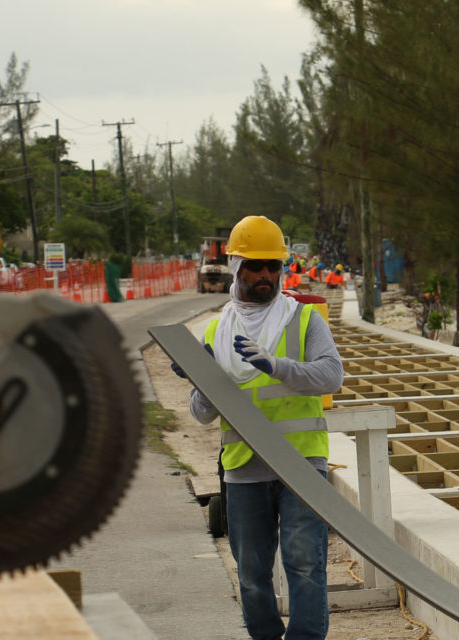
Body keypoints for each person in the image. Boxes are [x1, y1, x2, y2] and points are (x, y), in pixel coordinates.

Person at [172, 215, 343, 640]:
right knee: (250, 572)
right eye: (255, 265)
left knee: (305, 563)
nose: (265, 274)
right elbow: (202, 415)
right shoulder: (215, 330)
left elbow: (331, 377)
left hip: (301, 463)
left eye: (272, 265)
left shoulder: (303, 320)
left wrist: (277, 366)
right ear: (236, 268)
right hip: (244, 468)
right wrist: (204, 378)